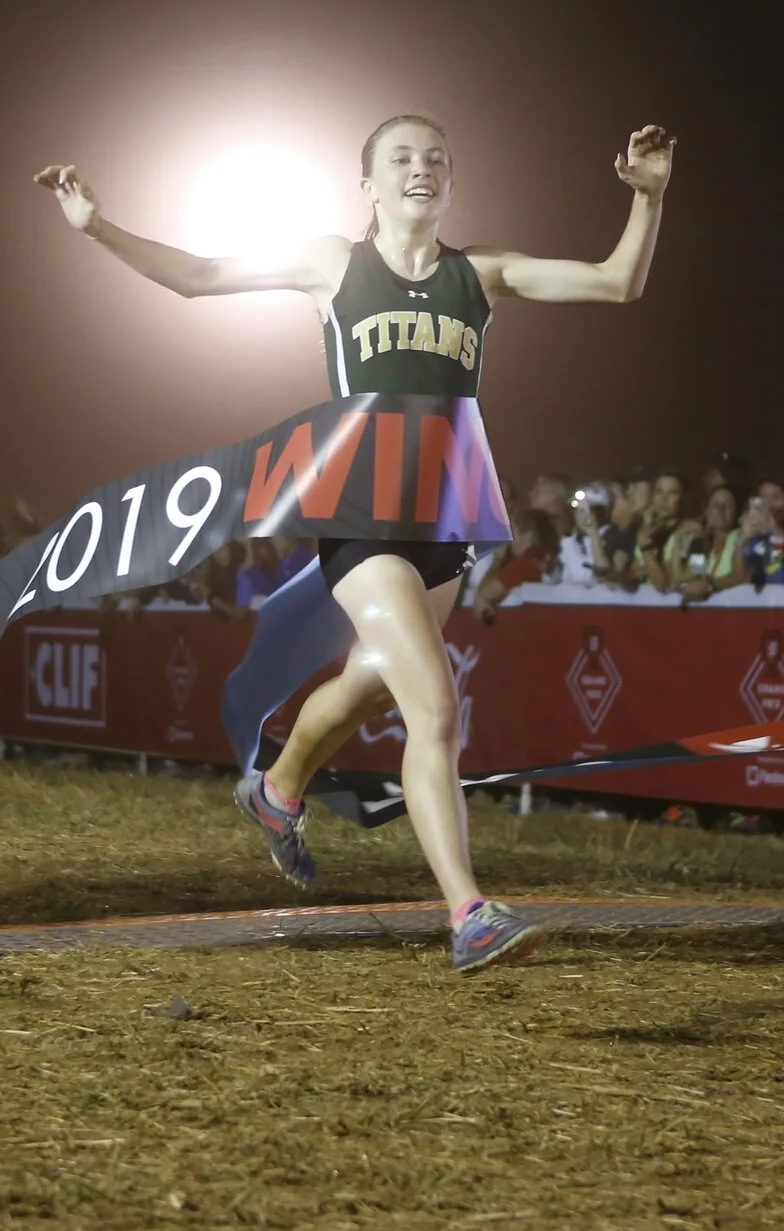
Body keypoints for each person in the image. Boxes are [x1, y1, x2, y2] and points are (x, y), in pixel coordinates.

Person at [36, 116, 676, 971]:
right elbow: (197, 276)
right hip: (359, 515)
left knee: (370, 686)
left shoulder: (479, 273)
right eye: (401, 158)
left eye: (436, 157)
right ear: (367, 183)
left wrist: (651, 197)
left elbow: (617, 283)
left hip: (445, 521)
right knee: (435, 707)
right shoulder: (332, 263)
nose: (422, 168)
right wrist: (97, 227)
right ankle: (468, 911)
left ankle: (277, 787)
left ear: (451, 181)